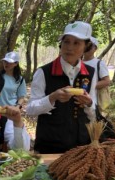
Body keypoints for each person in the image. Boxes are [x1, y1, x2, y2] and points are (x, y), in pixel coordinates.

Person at [26, 21, 96, 154]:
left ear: (86, 46)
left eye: (76, 43)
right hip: (50, 145)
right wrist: (52, 98)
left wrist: (89, 103)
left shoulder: (90, 72)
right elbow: (30, 109)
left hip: (81, 145)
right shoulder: (44, 72)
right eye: (66, 42)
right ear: (61, 44)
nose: (70, 47)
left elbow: (92, 112)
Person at [83, 36, 111, 111]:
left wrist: (89, 86)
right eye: (85, 45)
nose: (87, 48)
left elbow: (107, 81)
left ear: (95, 49)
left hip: (94, 100)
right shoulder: (77, 62)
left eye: (90, 46)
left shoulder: (99, 63)